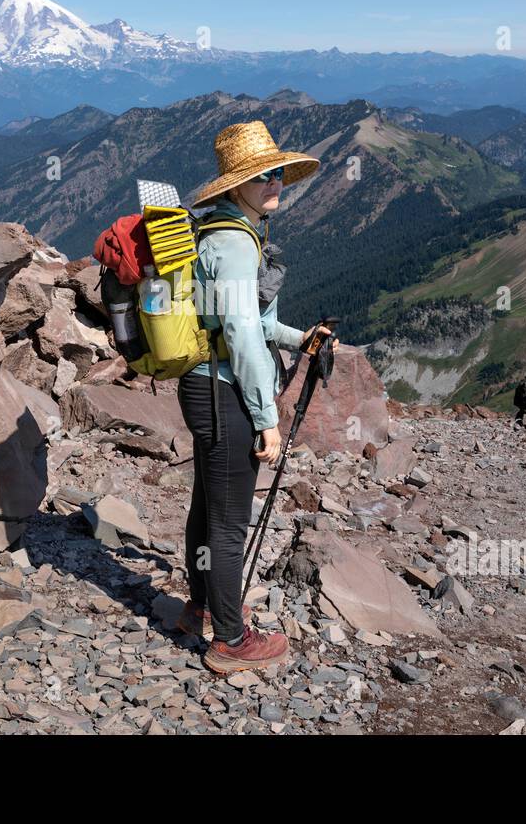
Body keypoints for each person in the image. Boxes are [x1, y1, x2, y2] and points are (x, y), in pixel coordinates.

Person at [176, 120, 335, 674]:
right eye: (264, 176)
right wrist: (267, 418)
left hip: (203, 385)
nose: (276, 184)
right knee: (228, 522)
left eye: (278, 174)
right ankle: (230, 640)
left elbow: (246, 322)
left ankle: (200, 606)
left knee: (207, 507)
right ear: (236, 184)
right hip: (224, 395)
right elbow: (241, 334)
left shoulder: (218, 231)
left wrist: (298, 339)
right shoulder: (235, 244)